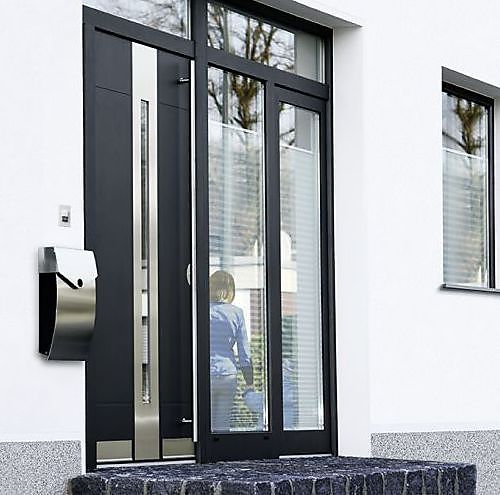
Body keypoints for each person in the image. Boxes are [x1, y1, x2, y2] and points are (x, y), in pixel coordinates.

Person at [209, 270, 253, 432]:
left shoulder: (200, 310)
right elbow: (244, 351)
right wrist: (249, 381)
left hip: (205, 374)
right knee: (222, 425)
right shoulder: (237, 313)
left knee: (204, 425)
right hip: (228, 375)